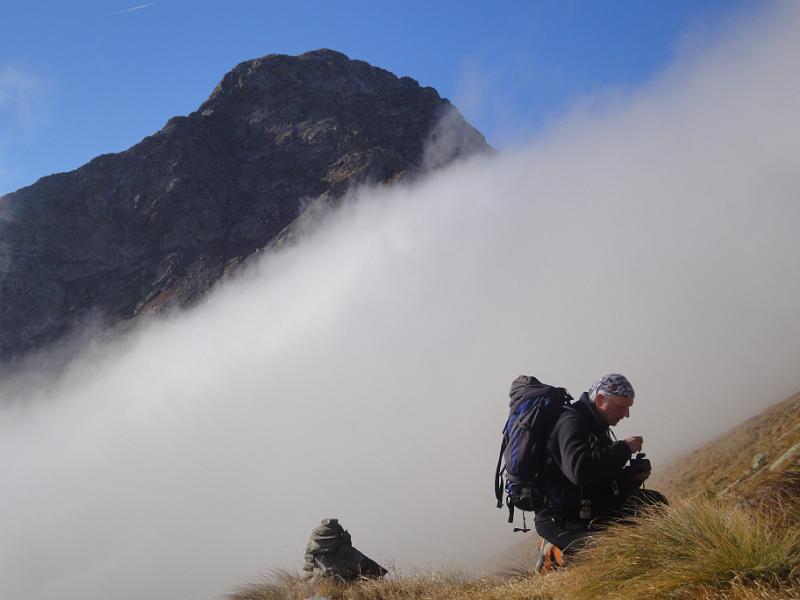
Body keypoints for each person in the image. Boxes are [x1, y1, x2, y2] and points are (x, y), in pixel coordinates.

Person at [534, 373, 667, 571]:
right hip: (563, 520)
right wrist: (623, 449)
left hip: (591, 509)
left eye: (628, 407)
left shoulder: (597, 424)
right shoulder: (571, 422)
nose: (626, 414)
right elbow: (579, 472)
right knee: (612, 551)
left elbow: (600, 480)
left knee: (654, 503)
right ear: (600, 399)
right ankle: (554, 553)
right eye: (621, 407)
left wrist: (630, 478)